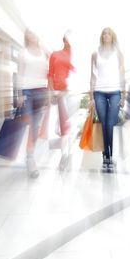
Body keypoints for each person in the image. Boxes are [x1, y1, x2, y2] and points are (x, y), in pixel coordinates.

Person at [90, 27, 126, 172]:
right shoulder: (94, 54)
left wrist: (123, 95)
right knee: (104, 123)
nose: (106, 35)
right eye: (104, 33)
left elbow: (123, 74)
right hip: (99, 91)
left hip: (115, 91)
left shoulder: (118, 54)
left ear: (112, 37)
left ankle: (109, 155)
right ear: (101, 37)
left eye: (108, 33)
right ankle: (106, 156)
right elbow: (92, 75)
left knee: (110, 124)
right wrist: (91, 96)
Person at [17, 29, 49, 178]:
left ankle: (30, 156)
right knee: (29, 123)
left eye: (34, 31)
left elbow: (51, 71)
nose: (32, 34)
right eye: (29, 32)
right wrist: (19, 94)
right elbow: (20, 74)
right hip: (27, 92)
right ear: (26, 36)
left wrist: (50, 92)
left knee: (35, 126)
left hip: (41, 91)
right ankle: (29, 156)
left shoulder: (45, 52)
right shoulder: (23, 52)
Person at [48, 30, 75, 170]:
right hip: (59, 93)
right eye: (66, 38)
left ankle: (66, 154)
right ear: (63, 39)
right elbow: (50, 74)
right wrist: (52, 92)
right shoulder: (55, 55)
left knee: (67, 126)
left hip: (72, 93)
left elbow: (78, 74)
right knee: (61, 127)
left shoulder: (76, 55)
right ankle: (65, 154)